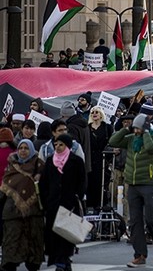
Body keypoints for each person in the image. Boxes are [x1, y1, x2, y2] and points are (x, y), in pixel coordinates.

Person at [109, 114, 153, 267]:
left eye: (138, 128)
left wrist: (146, 132)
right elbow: (112, 141)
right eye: (135, 128)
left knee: (151, 218)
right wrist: (125, 129)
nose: (136, 131)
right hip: (132, 184)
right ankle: (139, 254)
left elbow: (150, 148)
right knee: (135, 221)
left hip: (149, 183)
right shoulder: (130, 139)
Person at [40, 134, 86, 271]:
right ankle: (63, 262)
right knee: (53, 236)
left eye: (61, 145)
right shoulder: (50, 161)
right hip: (53, 204)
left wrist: (77, 195)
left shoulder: (75, 161)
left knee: (66, 235)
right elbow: (44, 183)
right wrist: (46, 200)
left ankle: (62, 261)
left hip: (69, 204)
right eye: (56, 145)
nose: (58, 147)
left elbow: (82, 181)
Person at [0, 139, 45, 271]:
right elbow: (4, 186)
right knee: (12, 238)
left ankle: (33, 262)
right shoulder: (11, 167)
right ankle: (10, 262)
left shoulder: (39, 165)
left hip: (34, 211)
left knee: (33, 237)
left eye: (26, 148)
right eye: (21, 148)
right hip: (12, 210)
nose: (23, 151)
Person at [86, 107, 113, 210]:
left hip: (104, 160)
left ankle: (102, 205)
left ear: (101, 114)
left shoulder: (107, 127)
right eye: (92, 112)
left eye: (96, 112)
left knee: (102, 183)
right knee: (91, 183)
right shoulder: (87, 128)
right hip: (91, 159)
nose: (94, 114)